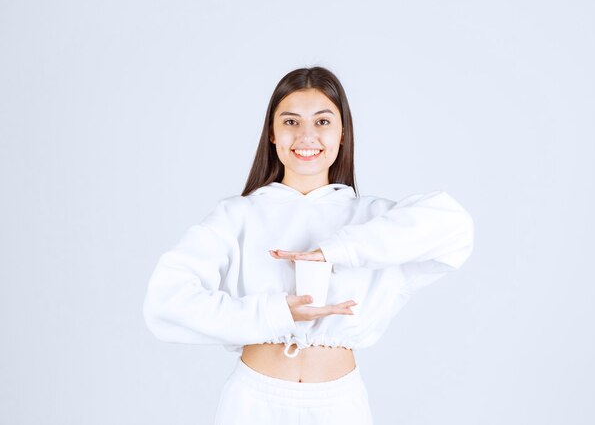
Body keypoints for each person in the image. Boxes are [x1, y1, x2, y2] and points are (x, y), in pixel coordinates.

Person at [142, 66, 474, 424]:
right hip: (253, 402)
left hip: (338, 405)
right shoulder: (237, 216)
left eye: (322, 122)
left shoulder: (374, 220)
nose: (306, 135)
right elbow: (166, 301)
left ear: (343, 132)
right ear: (272, 133)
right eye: (290, 122)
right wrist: (275, 313)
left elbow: (455, 227)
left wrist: (338, 250)